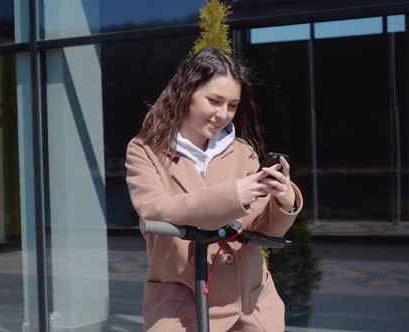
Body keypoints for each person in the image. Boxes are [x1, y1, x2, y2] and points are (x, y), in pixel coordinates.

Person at [125, 47, 303, 331]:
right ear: (186, 92)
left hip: (250, 305)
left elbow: (258, 228)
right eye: (214, 100)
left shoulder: (242, 151)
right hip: (183, 303)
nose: (223, 114)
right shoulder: (145, 149)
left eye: (232, 105)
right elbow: (154, 209)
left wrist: (282, 203)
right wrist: (233, 196)